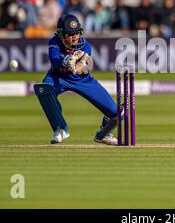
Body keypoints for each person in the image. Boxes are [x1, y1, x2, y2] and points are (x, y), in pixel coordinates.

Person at [34, 13, 119, 145]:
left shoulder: (86, 46)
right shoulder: (55, 41)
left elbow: (84, 64)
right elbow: (54, 59)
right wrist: (65, 60)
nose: (75, 37)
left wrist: (79, 66)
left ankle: (104, 134)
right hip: (58, 77)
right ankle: (60, 128)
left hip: (82, 80)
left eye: (77, 33)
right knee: (44, 89)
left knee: (116, 113)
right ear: (62, 34)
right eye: (70, 34)